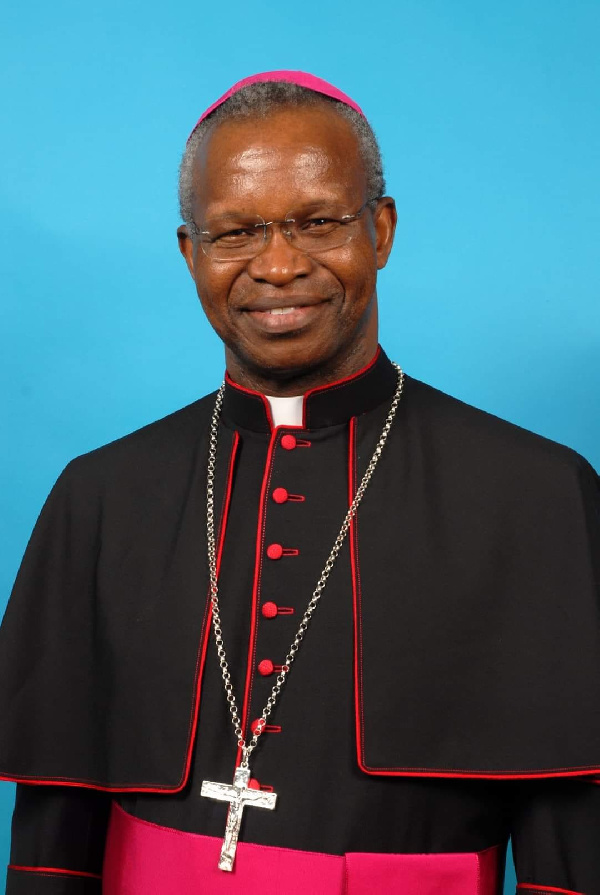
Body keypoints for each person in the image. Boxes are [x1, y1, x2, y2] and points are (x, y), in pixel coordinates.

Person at [0, 70, 599, 895]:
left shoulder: (536, 494)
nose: (278, 266)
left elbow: (573, 848)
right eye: (235, 233)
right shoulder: (98, 497)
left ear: (380, 230)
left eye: (317, 221)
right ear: (191, 254)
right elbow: (49, 845)